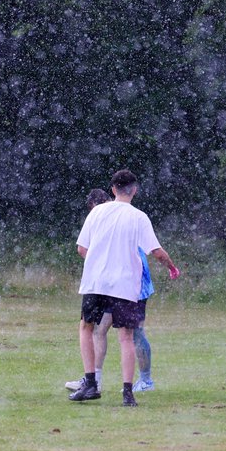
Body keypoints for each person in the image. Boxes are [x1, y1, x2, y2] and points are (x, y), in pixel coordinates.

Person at [70, 170, 179, 407]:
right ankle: (128, 392)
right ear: (135, 190)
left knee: (86, 328)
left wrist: (99, 263)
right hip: (125, 284)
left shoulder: (97, 211)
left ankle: (90, 383)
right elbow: (157, 252)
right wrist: (172, 267)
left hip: (96, 282)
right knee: (126, 337)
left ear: (112, 190)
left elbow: (81, 248)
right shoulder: (139, 217)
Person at [64, 189, 157, 393]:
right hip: (114, 283)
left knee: (133, 333)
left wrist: (101, 265)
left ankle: (145, 380)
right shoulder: (115, 215)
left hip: (132, 283)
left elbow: (142, 253)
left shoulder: (122, 216)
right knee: (99, 329)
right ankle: (93, 380)